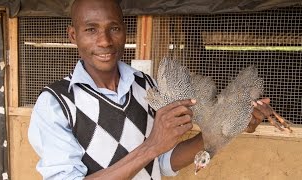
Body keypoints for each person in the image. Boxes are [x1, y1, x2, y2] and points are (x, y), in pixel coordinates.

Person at [28, 0, 272, 179]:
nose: (104, 41)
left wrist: (220, 131)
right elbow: (154, 150)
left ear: (124, 32)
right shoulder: (56, 103)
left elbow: (162, 164)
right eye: (91, 29)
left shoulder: (147, 86)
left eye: (114, 28)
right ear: (73, 36)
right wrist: (152, 145)